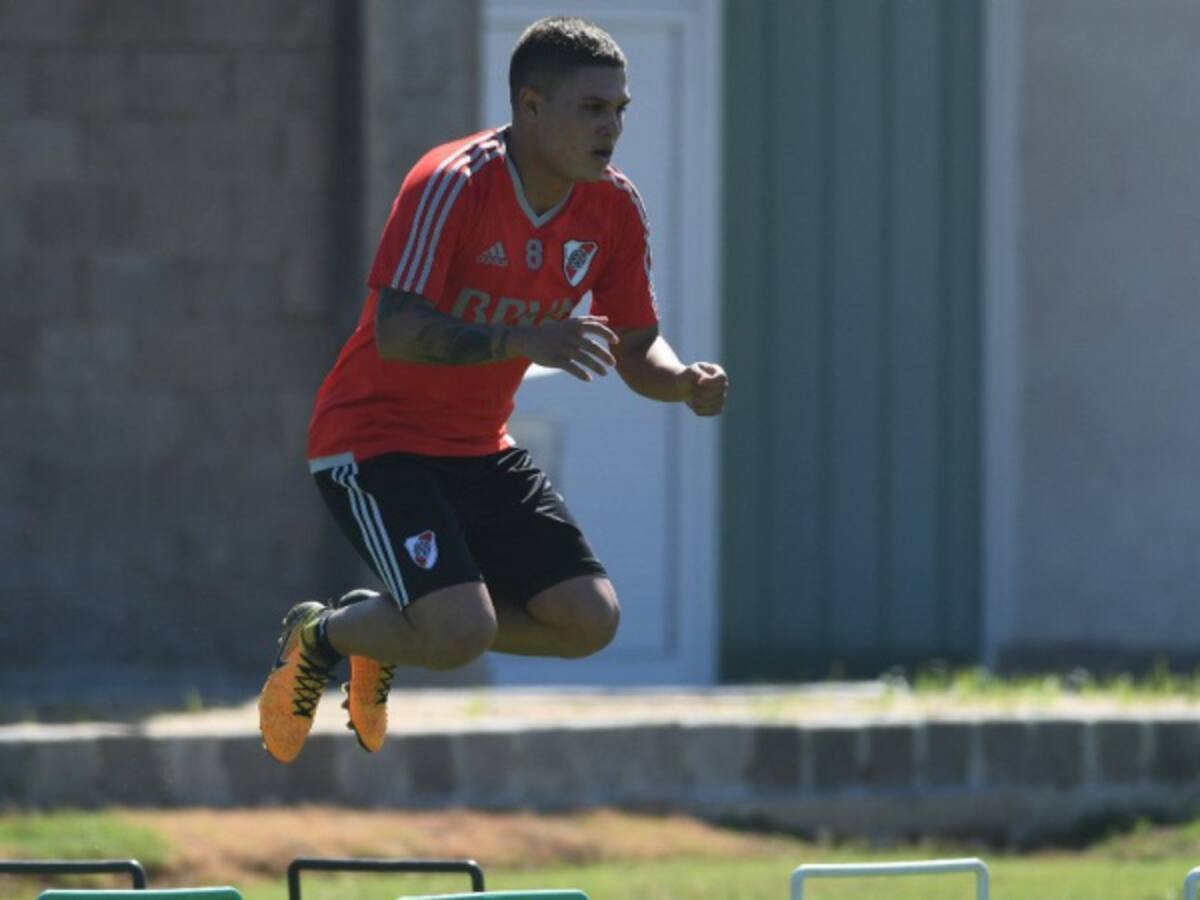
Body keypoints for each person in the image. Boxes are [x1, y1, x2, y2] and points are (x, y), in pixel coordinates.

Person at [258, 15, 729, 763]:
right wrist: (519, 339)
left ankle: (394, 623)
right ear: (530, 106)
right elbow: (398, 328)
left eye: (619, 110)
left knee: (589, 621)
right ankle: (322, 635)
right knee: (457, 636)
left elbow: (638, 346)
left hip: (479, 449)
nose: (611, 128)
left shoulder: (613, 207)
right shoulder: (452, 183)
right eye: (591, 109)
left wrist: (680, 381)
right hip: (372, 443)